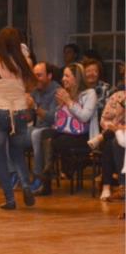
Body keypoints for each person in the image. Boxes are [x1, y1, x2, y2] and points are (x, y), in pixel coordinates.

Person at [0, 27, 37, 209]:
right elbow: (31, 86)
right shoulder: (26, 62)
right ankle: (26, 185)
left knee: (0, 157)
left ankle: (10, 199)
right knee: (18, 153)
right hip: (20, 112)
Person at [36, 63, 98, 196]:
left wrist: (68, 102)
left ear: (76, 78)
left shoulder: (89, 93)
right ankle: (48, 174)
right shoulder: (65, 93)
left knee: (57, 141)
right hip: (66, 133)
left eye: (67, 76)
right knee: (45, 134)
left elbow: (84, 117)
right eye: (63, 76)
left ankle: (56, 172)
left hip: (84, 136)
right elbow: (60, 121)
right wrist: (60, 107)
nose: (63, 79)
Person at [26, 62, 61, 188]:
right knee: (12, 133)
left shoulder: (57, 92)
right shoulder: (35, 91)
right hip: (37, 128)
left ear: (49, 76)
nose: (36, 79)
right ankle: (15, 173)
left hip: (53, 130)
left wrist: (35, 107)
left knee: (36, 134)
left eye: (39, 75)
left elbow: (53, 118)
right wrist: (24, 108)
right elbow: (28, 118)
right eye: (34, 75)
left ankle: (38, 176)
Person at [90, 89, 126, 201]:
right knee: (111, 142)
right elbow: (104, 120)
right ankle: (111, 186)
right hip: (115, 132)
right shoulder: (117, 96)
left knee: (114, 141)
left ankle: (113, 186)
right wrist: (117, 119)